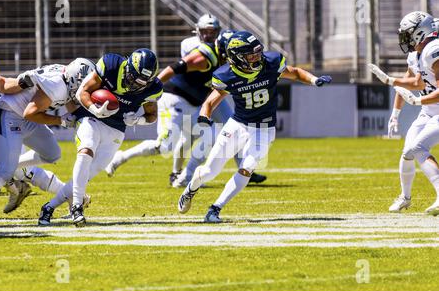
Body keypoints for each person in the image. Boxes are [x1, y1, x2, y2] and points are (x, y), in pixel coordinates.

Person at [178, 30, 332, 223]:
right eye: (251, 55)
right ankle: (191, 189)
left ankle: (215, 209)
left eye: (258, 52)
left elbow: (295, 72)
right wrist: (204, 117)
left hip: (264, 128)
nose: (257, 57)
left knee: (247, 168)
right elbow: (209, 102)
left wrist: (313, 80)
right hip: (238, 125)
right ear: (237, 57)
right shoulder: (226, 75)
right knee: (210, 171)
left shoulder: (271, 63)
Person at [105, 15, 267, 186]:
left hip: (196, 102)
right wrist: (151, 89)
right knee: (164, 146)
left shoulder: (229, 61)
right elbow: (173, 68)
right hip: (175, 99)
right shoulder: (205, 57)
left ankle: (183, 177)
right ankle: (121, 157)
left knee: (207, 136)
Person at [38, 48, 162, 227]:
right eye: (133, 78)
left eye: (140, 83)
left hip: (117, 129)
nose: (134, 85)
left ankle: (49, 207)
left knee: (86, 175)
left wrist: (139, 120)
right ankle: (77, 207)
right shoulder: (111, 65)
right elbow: (82, 92)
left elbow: (152, 116)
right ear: (127, 67)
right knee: (86, 150)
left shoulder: (153, 88)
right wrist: (95, 109)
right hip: (91, 117)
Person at [0, 58, 91, 211]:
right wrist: (60, 120)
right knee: (5, 170)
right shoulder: (58, 85)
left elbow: (71, 101)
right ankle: (10, 167)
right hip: (8, 114)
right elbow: (30, 112)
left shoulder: (67, 80)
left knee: (52, 154)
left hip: (22, 116)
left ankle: (14, 166)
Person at [370, 11, 439, 216]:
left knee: (419, 147)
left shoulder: (433, 50)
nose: (404, 38)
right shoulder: (417, 53)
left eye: (408, 33)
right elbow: (415, 82)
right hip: (428, 112)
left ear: (420, 32)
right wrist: (395, 112)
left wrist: (417, 100)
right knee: (408, 151)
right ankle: (405, 197)